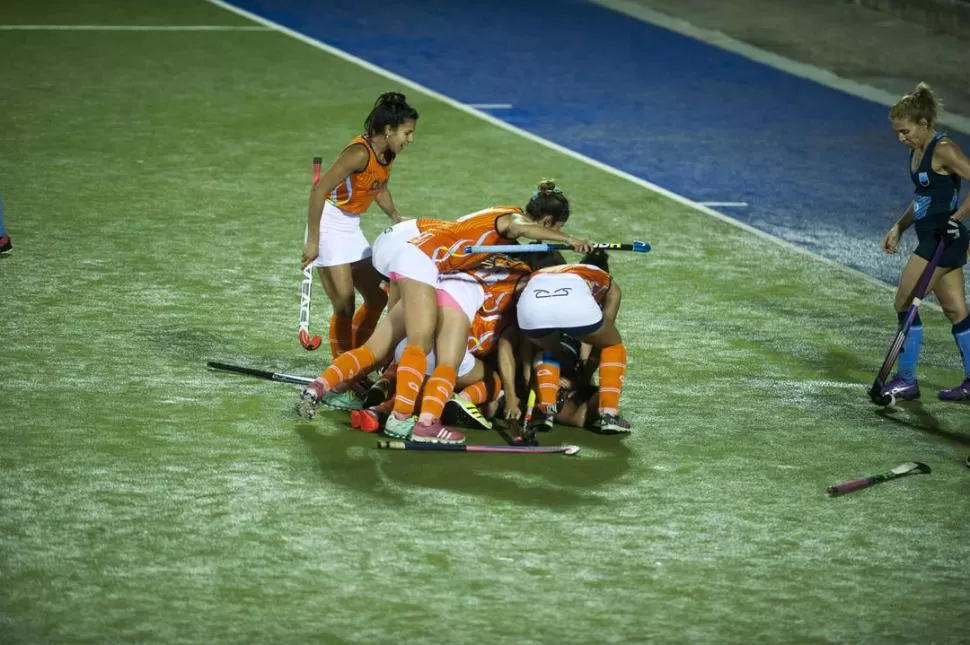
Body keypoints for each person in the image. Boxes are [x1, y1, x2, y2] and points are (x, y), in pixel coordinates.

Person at [373, 180, 591, 440]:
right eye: (556, 228)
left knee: (408, 352)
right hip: (439, 309)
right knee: (481, 382)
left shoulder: (496, 245)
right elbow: (511, 344)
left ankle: (379, 394)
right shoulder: (513, 235)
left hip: (409, 258)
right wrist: (570, 240)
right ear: (545, 222)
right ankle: (428, 413)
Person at [300, 92, 418, 378]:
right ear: (389, 130)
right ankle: (341, 373)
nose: (410, 140)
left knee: (378, 296)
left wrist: (396, 216)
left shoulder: (387, 153)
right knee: (344, 304)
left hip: (351, 227)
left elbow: (379, 186)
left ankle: (358, 360)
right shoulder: (358, 153)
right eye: (407, 133)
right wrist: (313, 241)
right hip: (328, 224)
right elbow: (319, 191)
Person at [880, 83, 970, 401]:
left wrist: (955, 219)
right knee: (956, 310)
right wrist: (900, 226)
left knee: (904, 304)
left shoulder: (943, 148)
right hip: (936, 238)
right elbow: (923, 197)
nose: (902, 138)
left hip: (941, 240)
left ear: (922, 124)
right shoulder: (915, 151)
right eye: (898, 133)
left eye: (905, 131)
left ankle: (906, 380)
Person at [516, 249, 631, 433]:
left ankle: (546, 408)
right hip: (575, 326)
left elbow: (527, 340)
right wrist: (585, 378)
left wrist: (529, 378)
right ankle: (609, 414)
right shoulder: (608, 285)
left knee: (548, 352)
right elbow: (599, 345)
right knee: (612, 344)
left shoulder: (543, 276)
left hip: (532, 315)